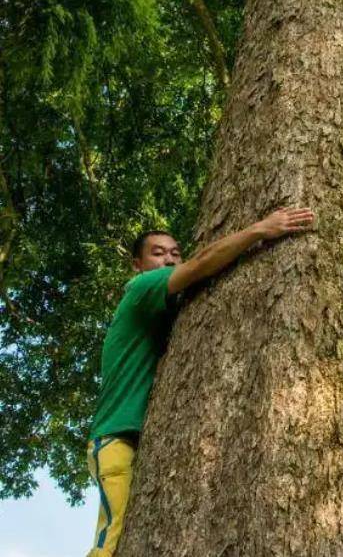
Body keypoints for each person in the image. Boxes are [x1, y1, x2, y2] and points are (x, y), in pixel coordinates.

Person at [86, 207, 315, 557]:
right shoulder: (141, 287)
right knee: (110, 542)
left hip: (138, 439)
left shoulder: (165, 308)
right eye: (158, 253)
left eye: (175, 253)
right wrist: (260, 229)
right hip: (114, 438)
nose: (169, 259)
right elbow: (199, 264)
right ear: (137, 264)